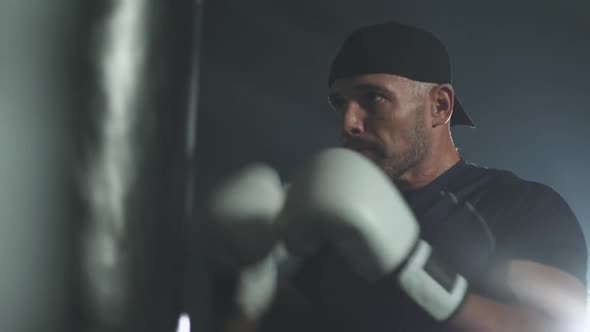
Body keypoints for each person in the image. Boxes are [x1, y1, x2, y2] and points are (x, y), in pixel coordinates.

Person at [205, 21, 588, 332]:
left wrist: (416, 270)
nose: (347, 123)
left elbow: (559, 327)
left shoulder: (518, 206)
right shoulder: (329, 214)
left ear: (439, 106)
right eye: (340, 104)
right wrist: (241, 281)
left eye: (373, 98)